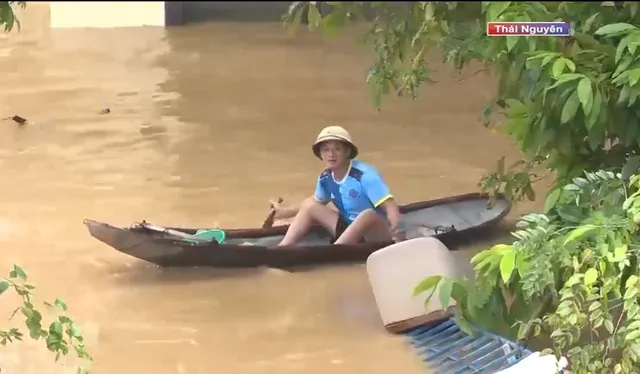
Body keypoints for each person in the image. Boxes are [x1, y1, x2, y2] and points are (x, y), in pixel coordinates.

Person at [271, 126, 405, 246]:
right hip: (347, 228)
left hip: (375, 234)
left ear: (347, 152)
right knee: (310, 206)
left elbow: (390, 206)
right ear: (320, 154)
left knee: (367, 214)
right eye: (326, 149)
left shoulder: (364, 175)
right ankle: (283, 248)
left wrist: (397, 231)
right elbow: (314, 202)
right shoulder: (325, 178)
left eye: (337, 149)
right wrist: (283, 212)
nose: (331, 154)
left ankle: (335, 251)